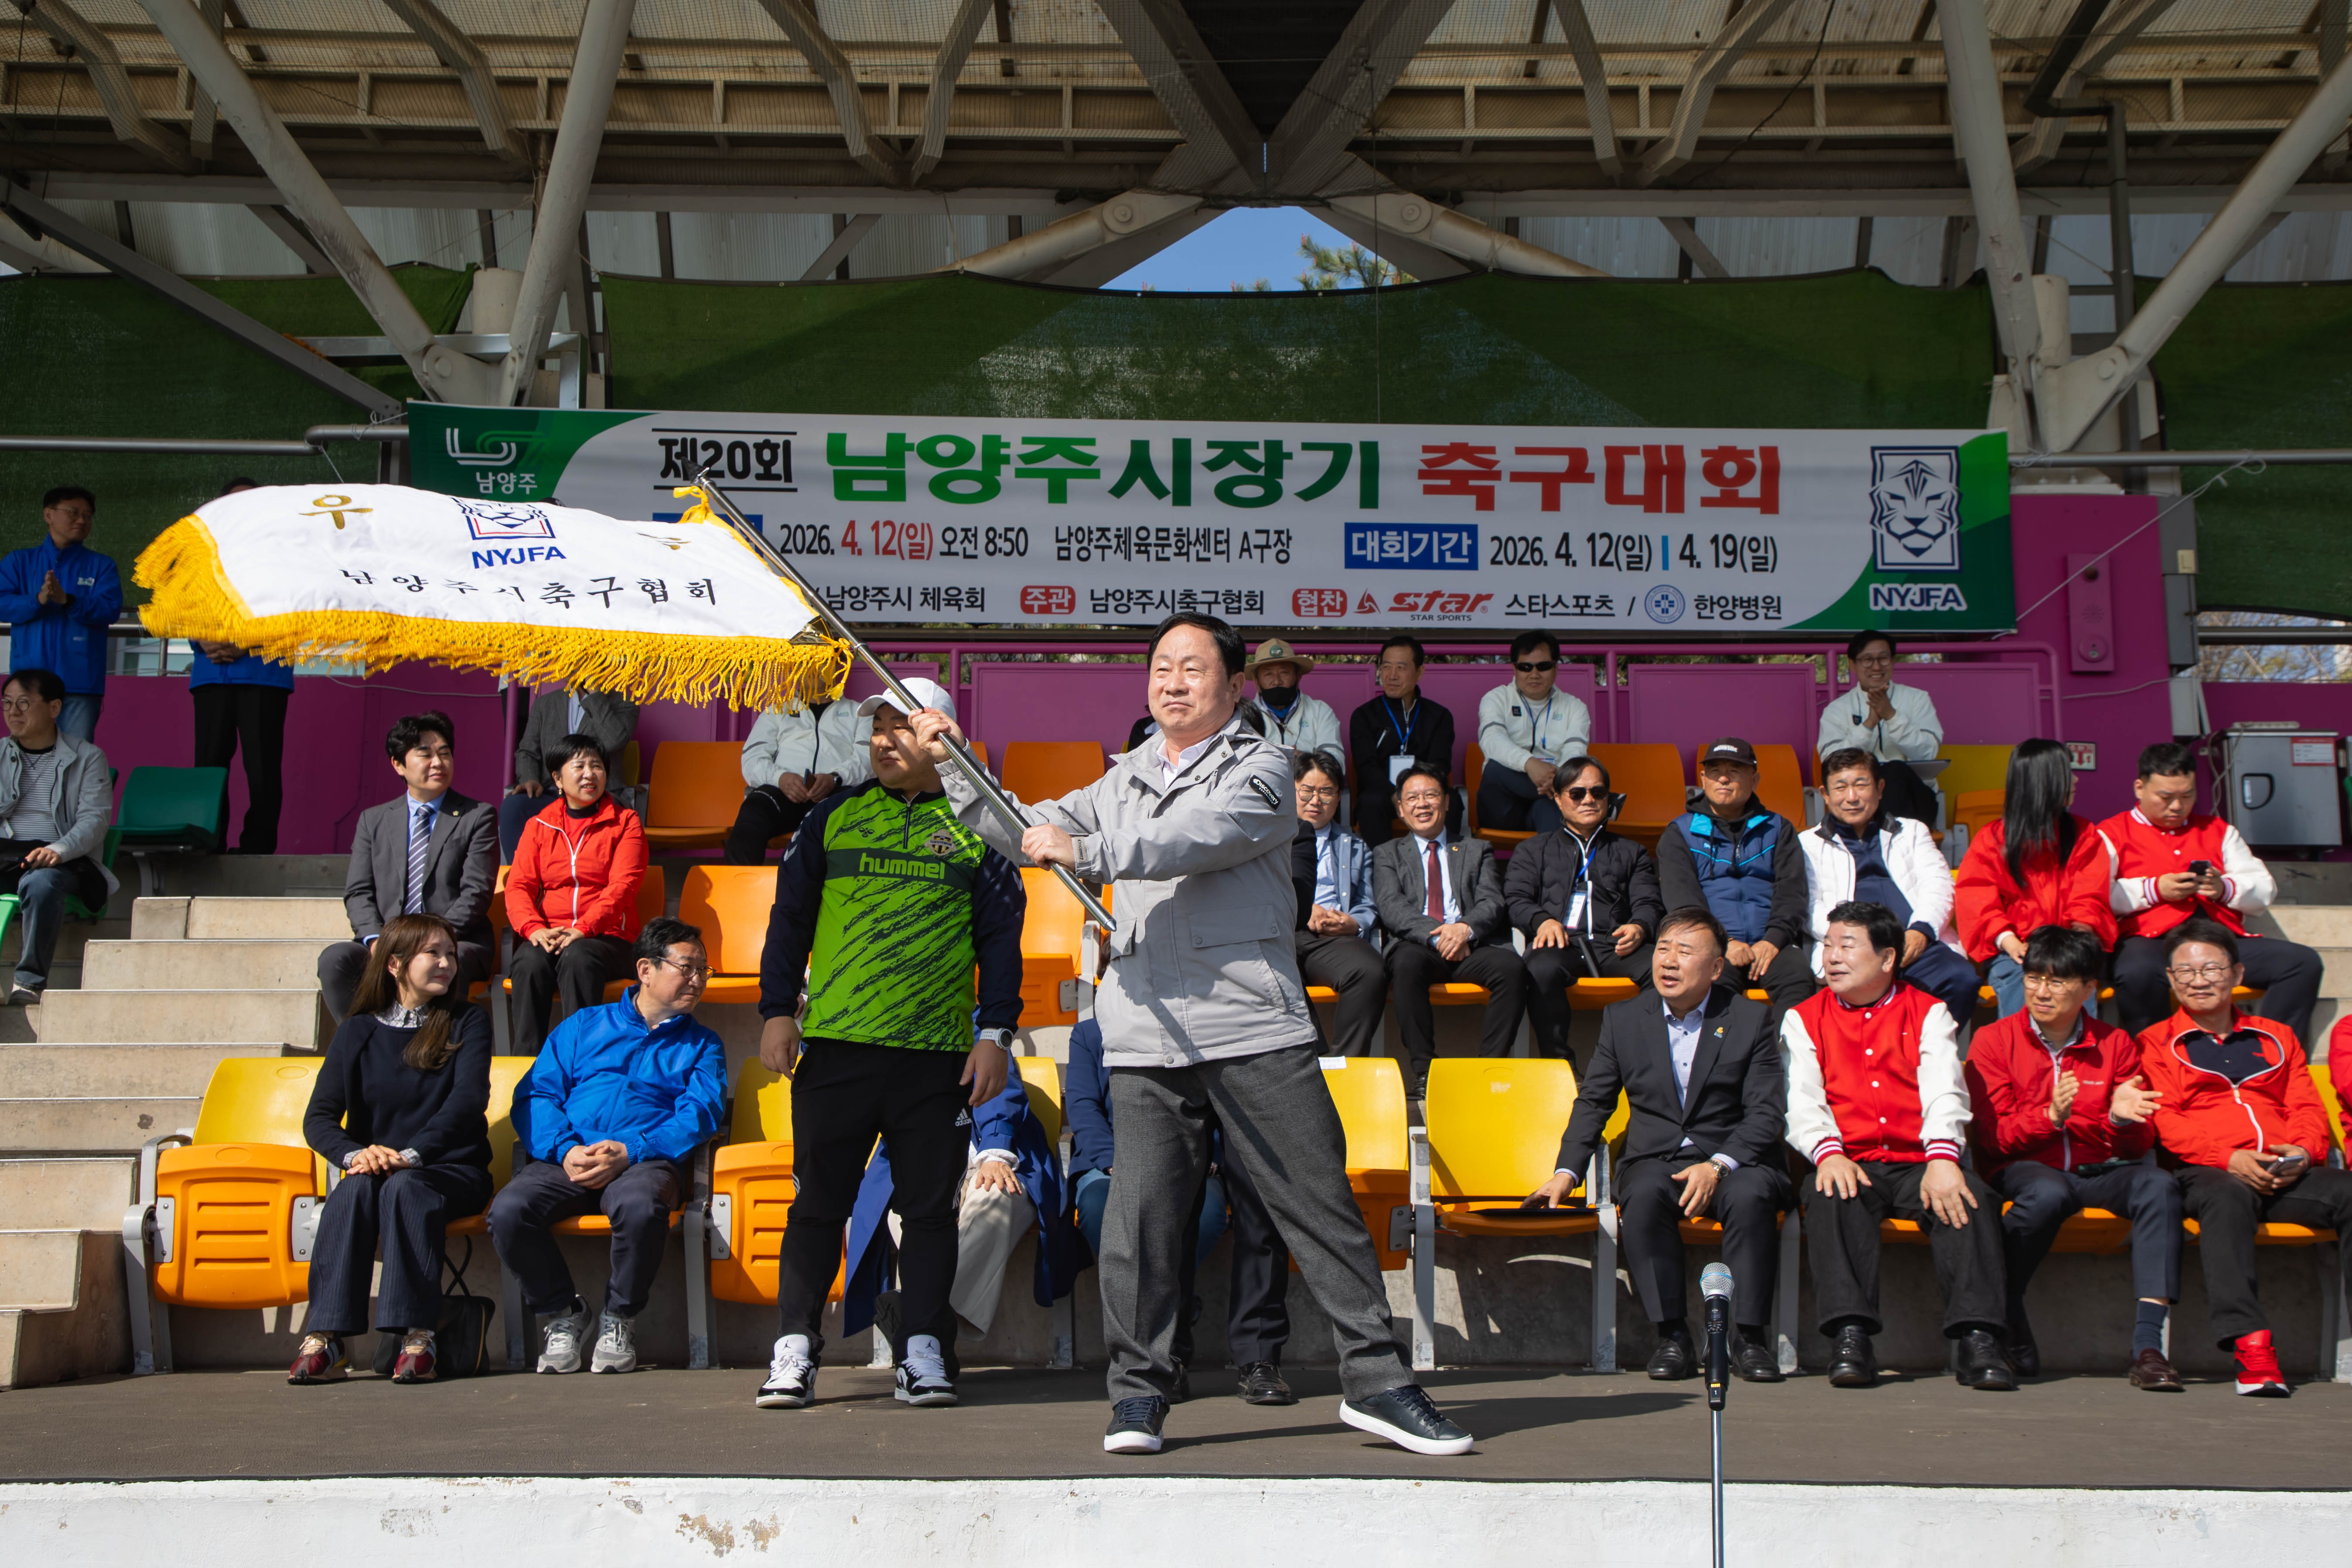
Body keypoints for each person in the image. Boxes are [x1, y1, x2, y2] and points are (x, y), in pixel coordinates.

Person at [913, 612, 1470, 1458]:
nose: (1172, 682)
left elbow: (1194, 837)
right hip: (1142, 1029)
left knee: (1316, 1203)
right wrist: (957, 763)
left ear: (1234, 684)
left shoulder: (1262, 768)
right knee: (1139, 1222)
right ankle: (1136, 1397)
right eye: (1160, 668)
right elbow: (1016, 826)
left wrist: (1086, 846)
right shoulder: (1119, 777)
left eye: (1191, 668)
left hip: (1249, 1019)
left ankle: (1380, 1384)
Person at [752, 677, 1025, 1411]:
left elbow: (1002, 939)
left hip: (936, 1055)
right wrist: (777, 1011)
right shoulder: (833, 819)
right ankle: (795, 1350)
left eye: (900, 727)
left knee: (930, 1212)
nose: (882, 740)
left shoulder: (980, 825)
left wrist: (995, 1033)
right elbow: (788, 921)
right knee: (817, 1205)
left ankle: (924, 1350)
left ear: (940, 736)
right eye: (875, 726)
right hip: (838, 1049)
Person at [1528, 907, 1792, 1383]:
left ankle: (1748, 1337)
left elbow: (1766, 1113)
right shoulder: (1626, 1018)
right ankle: (1671, 1336)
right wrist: (1566, 1172)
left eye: (1684, 951)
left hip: (1735, 1156)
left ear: (1715, 968)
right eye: (1663, 949)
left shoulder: (1749, 1019)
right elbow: (1594, 1102)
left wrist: (1717, 1165)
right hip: (1656, 1157)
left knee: (1750, 1195)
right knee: (1644, 1195)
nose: (1668, 961)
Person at [1783, 900, 2016, 1391]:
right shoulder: (1802, 1017)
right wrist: (1827, 1152)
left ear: (1887, 959)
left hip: (1918, 1160)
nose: (1831, 957)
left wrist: (1943, 1160)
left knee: (1968, 1200)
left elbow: (1944, 1091)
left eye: (1847, 946)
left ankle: (1979, 1339)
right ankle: (1850, 1337)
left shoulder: (1929, 1012)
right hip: (1851, 1158)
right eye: (1827, 946)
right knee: (1829, 1196)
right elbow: (1800, 1100)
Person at [490, 916, 724, 1375]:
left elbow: (701, 1113)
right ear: (645, 970)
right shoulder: (583, 1026)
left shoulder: (703, 1044)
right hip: (569, 1156)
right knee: (508, 1210)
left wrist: (631, 1150)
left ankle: (619, 1317)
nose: (697, 979)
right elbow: (536, 1094)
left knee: (640, 1206)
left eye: (703, 970)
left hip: (645, 1162)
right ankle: (562, 1314)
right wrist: (563, 1149)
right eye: (687, 967)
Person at [2139, 917, 2352, 1397]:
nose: (2198, 980)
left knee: (2349, 1192)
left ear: (2236, 974)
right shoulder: (2154, 1042)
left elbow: (2304, 1106)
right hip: (2208, 1173)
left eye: (2211, 968)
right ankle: (2250, 1344)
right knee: (2225, 1198)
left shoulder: (2275, 1035)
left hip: (2282, 1169)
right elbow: (2166, 1121)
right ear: (2170, 981)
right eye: (2185, 971)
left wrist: (2302, 1150)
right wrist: (2227, 1157)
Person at [1961, 925, 2181, 1390]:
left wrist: (2120, 1122)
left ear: (2088, 989)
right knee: (2045, 1192)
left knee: (2158, 1185)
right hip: (2026, 1170)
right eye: (2033, 977)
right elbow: (1991, 1138)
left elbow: (2135, 1145)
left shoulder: (2115, 1044)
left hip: (2099, 1169)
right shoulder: (1993, 1040)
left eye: (2057, 981)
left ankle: (2148, 1346)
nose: (2041, 991)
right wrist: (2049, 1117)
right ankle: (2007, 1308)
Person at [287, 913, 494, 1385]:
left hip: (450, 1169)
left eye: (450, 954)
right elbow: (319, 1118)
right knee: (352, 1191)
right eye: (433, 954)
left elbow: (466, 1105)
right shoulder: (358, 1030)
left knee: (405, 1187)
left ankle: (418, 1336)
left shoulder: (467, 1021)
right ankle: (326, 1337)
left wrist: (411, 1154)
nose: (446, 963)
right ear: (396, 964)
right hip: (379, 1170)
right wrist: (354, 1156)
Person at [1065, 1018, 1295, 1405]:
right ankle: (1164, 1347)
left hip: (1237, 1059)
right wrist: (1114, 1162)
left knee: (1253, 1208)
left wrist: (1212, 1157)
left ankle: (1259, 1358)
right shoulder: (1093, 1032)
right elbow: (1083, 1104)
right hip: (1129, 1155)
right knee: (1142, 1214)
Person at [842, 1059, 1079, 1372]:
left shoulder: (977, 1030)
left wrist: (995, 1151)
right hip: (922, 1164)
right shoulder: (891, 1036)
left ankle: (914, 1314)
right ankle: (932, 1336)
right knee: (906, 1206)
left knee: (996, 1194)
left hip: (991, 1160)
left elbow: (1000, 1090)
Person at [2099, 741, 2325, 1042]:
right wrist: (2154, 889)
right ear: (2139, 788)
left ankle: (2271, 1053)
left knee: (2301, 963)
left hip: (2217, 940)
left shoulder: (2218, 830)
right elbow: (2097, 894)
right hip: (2149, 942)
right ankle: (2150, 1062)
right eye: (2165, 797)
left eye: (2187, 795)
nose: (2177, 806)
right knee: (2136, 972)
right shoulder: (2111, 832)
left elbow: (2264, 888)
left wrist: (2223, 887)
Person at [317, 711, 497, 1022]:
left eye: (444, 753)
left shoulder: (477, 816)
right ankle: (359, 1047)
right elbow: (359, 892)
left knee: (448, 961)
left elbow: (476, 893)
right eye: (425, 754)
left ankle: (432, 1052)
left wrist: (426, 944)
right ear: (398, 764)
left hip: (454, 940)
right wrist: (377, 941)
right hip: (388, 943)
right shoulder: (373, 820)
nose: (438, 763)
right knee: (336, 959)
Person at [1374, 766, 1529, 1102]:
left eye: (1430, 795)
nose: (1422, 804)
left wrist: (1464, 930)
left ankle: (1488, 1070)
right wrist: (1439, 935)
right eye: (1412, 798)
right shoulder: (1387, 853)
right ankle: (1425, 1071)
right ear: (1400, 808)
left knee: (1512, 969)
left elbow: (1492, 900)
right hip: (1421, 945)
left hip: (1472, 944)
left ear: (1446, 802)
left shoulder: (1477, 849)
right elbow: (1391, 906)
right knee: (1405, 966)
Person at [1801, 748, 1978, 1027]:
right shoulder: (1807, 843)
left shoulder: (1912, 831)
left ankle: (1924, 1059)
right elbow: (1809, 906)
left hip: (1916, 943)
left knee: (1961, 979)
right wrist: (1854, 942)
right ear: (1825, 795)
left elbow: (1939, 884)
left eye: (1861, 785)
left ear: (1880, 788)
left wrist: (1921, 931)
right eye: (1841, 787)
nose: (1852, 797)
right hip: (1853, 949)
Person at [1510, 754, 1663, 1067]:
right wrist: (1542, 920)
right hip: (1562, 945)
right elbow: (1516, 898)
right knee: (1540, 968)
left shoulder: (1631, 851)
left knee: (1665, 967)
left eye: (1598, 792)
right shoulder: (1531, 850)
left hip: (1616, 945)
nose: (1588, 800)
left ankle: (1646, 1065)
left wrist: (1639, 927)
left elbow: (1649, 903)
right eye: (1577, 793)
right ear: (1558, 798)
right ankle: (1559, 1066)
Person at [1656, 737, 1815, 1028]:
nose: (1724, 778)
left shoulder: (1779, 828)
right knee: (1711, 993)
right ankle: (1726, 1068)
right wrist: (1723, 943)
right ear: (1703, 779)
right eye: (1715, 771)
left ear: (1754, 779)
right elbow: (1683, 902)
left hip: (1772, 946)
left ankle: (1786, 1066)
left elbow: (1792, 892)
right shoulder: (1679, 833)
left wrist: (1773, 940)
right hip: (1714, 947)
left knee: (1799, 978)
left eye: (1736, 770)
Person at [505, 734, 648, 1054]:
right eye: (579, 766)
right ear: (557, 778)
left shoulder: (626, 822)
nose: (590, 774)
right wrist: (534, 928)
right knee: (528, 959)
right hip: (551, 933)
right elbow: (518, 885)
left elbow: (623, 887)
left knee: (579, 957)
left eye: (597, 766)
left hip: (609, 937)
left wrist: (583, 928)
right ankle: (527, 1063)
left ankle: (581, 1060)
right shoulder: (539, 825)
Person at [1955, 738, 2116, 1018]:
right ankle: (2024, 1060)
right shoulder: (1991, 841)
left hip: (2070, 949)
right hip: (2015, 953)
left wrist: (2070, 947)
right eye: (2068, 772)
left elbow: (2089, 900)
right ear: (2044, 781)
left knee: (2070, 980)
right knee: (2025, 981)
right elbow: (1978, 902)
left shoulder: (2085, 835)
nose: (2076, 780)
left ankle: (2076, 1060)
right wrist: (2009, 941)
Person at [0, 667, 118, 1004]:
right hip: (6, 855)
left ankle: (28, 983)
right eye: (7, 703)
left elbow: (95, 820)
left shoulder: (87, 757)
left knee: (40, 883)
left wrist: (59, 849)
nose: (13, 712)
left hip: (60, 860)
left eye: (24, 703)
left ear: (54, 708)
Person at [0, 485, 120, 742]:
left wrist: (67, 601)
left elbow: (110, 610)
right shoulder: (19, 562)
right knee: (28, 758)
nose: (82, 520)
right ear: (48, 515)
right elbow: (3, 604)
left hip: (79, 683)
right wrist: (39, 600)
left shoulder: (102, 566)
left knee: (76, 761)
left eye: (88, 516)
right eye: (74, 513)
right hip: (28, 683)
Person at [1290, 748, 1384, 1059]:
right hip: (1283, 932)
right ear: (1292, 789)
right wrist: (1305, 909)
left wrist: (1354, 923)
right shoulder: (1271, 839)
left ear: (1338, 798)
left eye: (1326, 792)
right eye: (1307, 790)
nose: (1315, 800)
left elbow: (1368, 902)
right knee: (1272, 974)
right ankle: (1312, 1067)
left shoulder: (1355, 844)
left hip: (1331, 938)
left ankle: (1346, 1065)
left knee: (1368, 971)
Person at [721, 693, 871, 865]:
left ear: (840, 666)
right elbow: (752, 759)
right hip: (783, 793)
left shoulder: (860, 712)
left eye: (824, 664)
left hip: (834, 793)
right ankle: (738, 883)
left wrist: (835, 778)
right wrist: (780, 778)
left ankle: (850, 888)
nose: (815, 669)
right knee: (755, 808)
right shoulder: (777, 710)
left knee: (858, 815)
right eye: (806, 664)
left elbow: (868, 759)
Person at [499, 685, 639, 861]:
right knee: (514, 806)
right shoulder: (544, 704)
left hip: (599, 797)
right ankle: (520, 877)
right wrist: (530, 778)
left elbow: (613, 742)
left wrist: (594, 695)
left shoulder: (625, 702)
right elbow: (527, 751)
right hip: (552, 794)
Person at [1816, 630, 1941, 825]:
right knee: (1873, 781)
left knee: (1895, 772)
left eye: (1883, 658)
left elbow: (1927, 753)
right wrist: (1869, 724)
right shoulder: (1837, 710)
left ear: (1892, 661)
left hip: (1915, 799)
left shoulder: (1918, 699)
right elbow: (1832, 763)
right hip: (1856, 800)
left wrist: (1892, 716)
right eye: (1867, 659)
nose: (1876, 666)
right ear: (1853, 664)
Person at [1476, 631, 1591, 836]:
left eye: (1543, 666)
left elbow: (1576, 751)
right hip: (1502, 809)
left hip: (1549, 803)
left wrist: (1555, 779)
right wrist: (1531, 765)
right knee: (1494, 769)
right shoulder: (1495, 699)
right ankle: (1595, 799)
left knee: (1548, 808)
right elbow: (1492, 740)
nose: (1534, 674)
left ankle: (1557, 867)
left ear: (1556, 667)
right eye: (1525, 667)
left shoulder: (1575, 707)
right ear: (1514, 668)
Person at [1348, 634, 1458, 845]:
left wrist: (1416, 795)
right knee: (1371, 802)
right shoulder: (1364, 716)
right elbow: (1366, 766)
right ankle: (1383, 871)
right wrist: (1397, 796)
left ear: (1419, 672)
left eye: (1401, 668)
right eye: (1387, 667)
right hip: (1383, 795)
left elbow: (1440, 764)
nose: (1392, 675)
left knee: (1450, 800)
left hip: (1424, 793)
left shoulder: (1439, 716)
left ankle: (1443, 868)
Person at [1244, 639, 1342, 759]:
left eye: (1284, 672)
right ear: (1257, 682)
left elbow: (1335, 764)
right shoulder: (1245, 716)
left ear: (1298, 677)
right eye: (1268, 674)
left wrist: (1303, 761)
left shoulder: (1320, 712)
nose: (1277, 681)